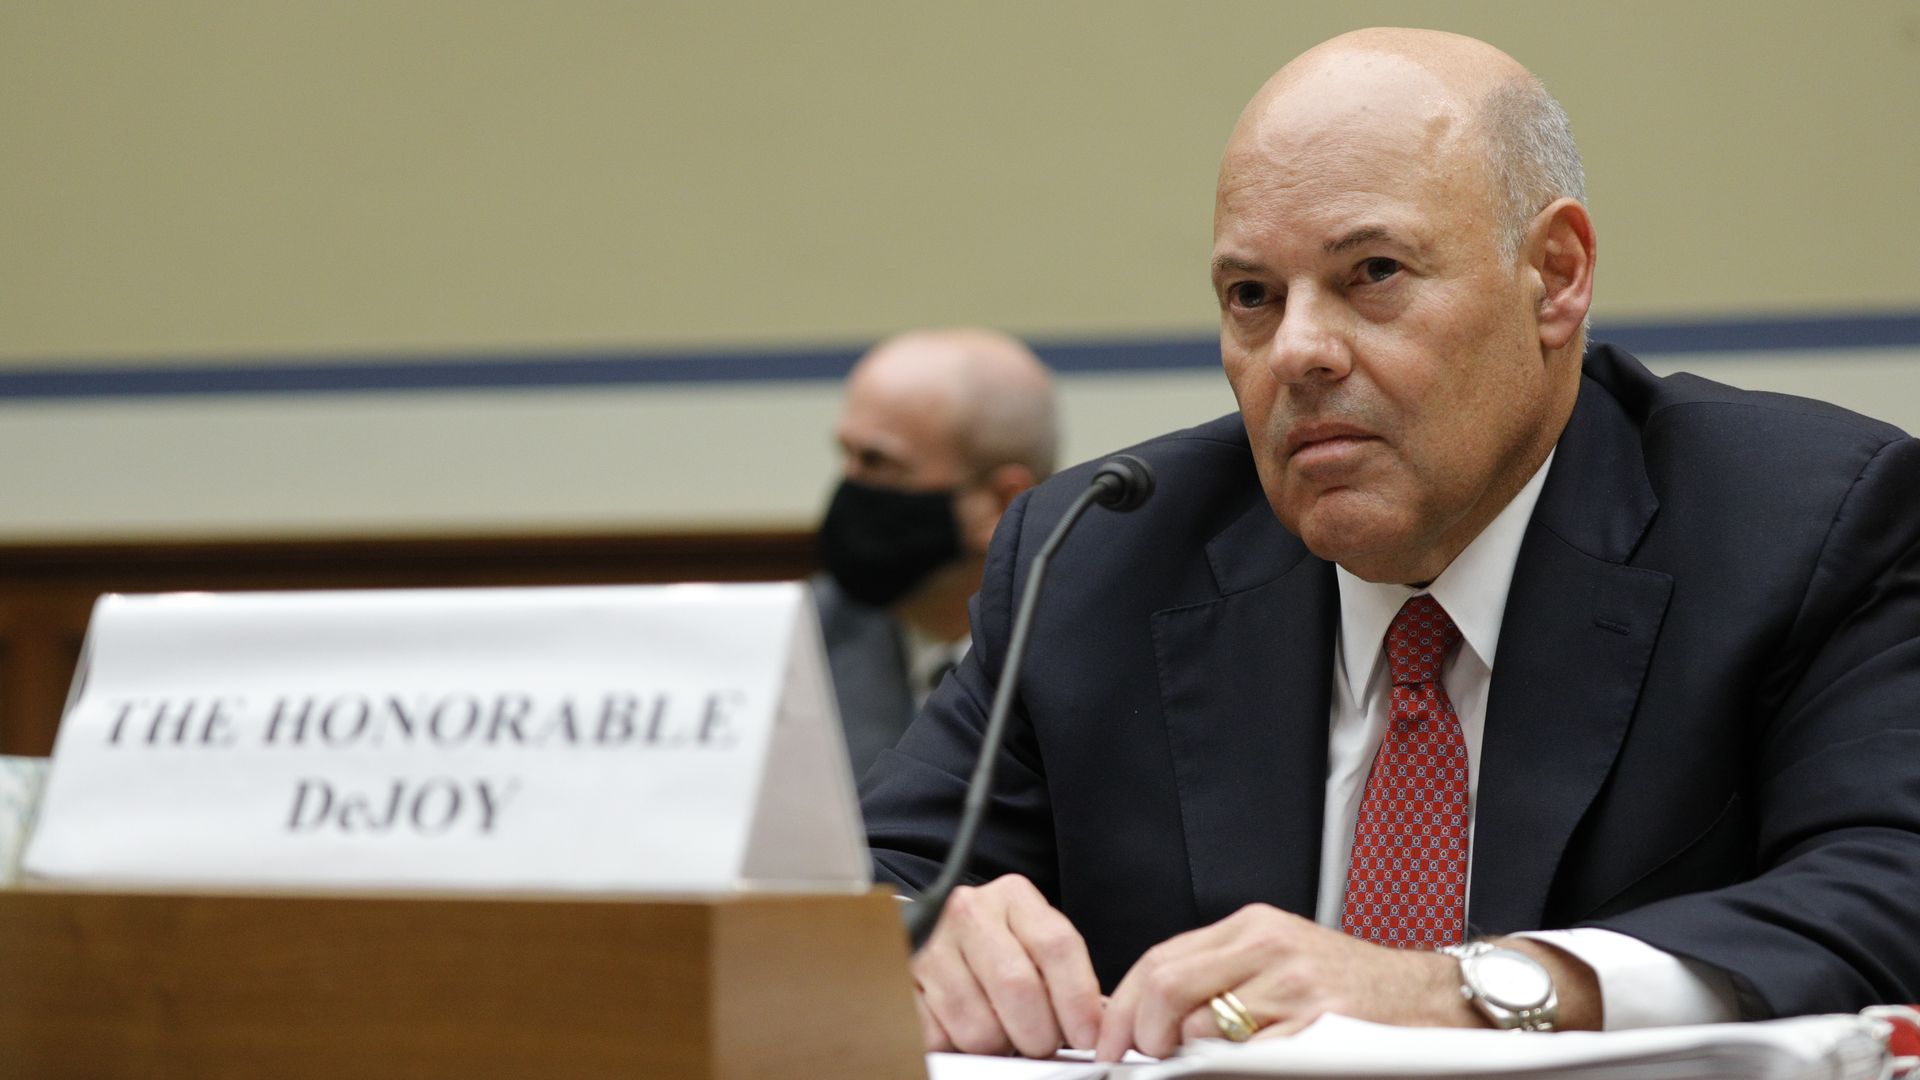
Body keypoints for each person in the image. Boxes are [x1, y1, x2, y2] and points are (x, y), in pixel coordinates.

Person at [859, 27, 1920, 1062]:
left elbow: (1891, 887)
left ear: (1555, 275)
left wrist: (1461, 989)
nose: (1301, 352)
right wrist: (911, 929)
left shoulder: (1801, 524)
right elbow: (861, 873)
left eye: (1372, 273)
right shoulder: (1100, 552)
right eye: (1251, 298)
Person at [813, 328, 1058, 779]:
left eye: (877, 462)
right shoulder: (803, 644)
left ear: (1001, 503)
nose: (850, 488)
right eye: (846, 456)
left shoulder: (1094, 655)